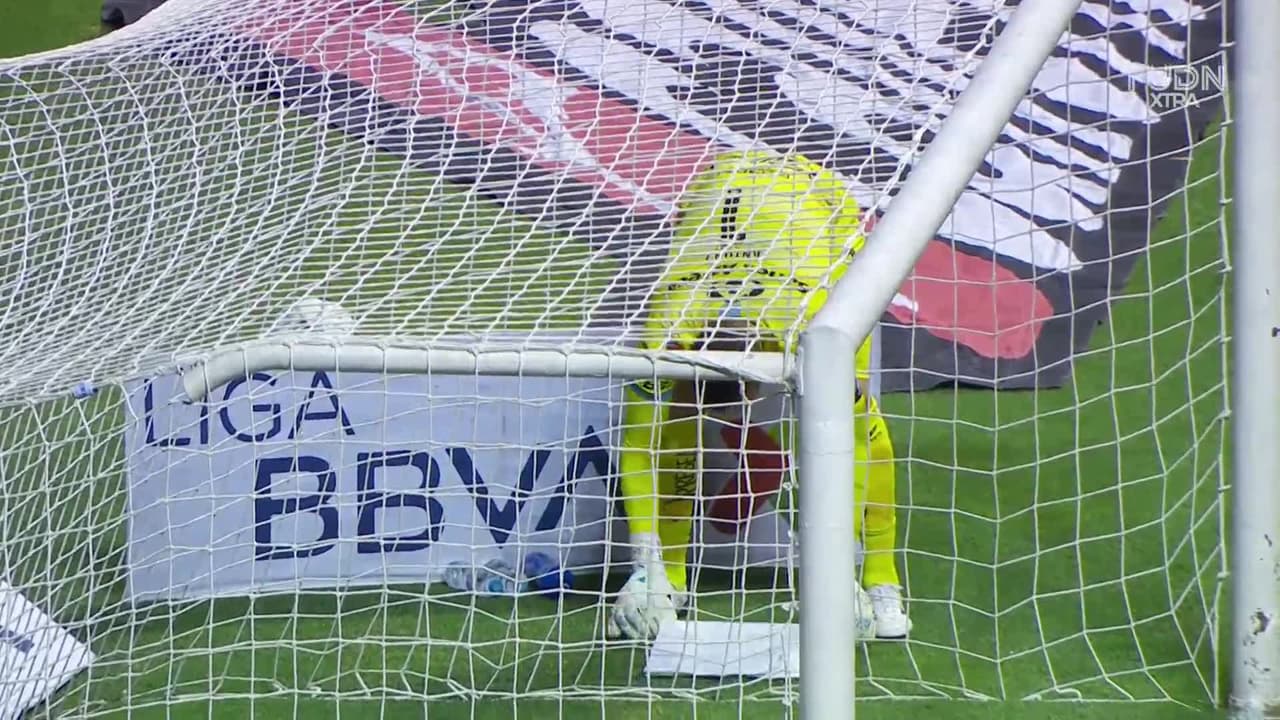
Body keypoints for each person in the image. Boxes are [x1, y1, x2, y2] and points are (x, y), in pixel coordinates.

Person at [606, 150, 910, 641]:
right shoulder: (667, 328)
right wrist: (644, 558)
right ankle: (666, 579)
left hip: (823, 205)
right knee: (671, 427)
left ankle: (879, 580)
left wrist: (834, 567)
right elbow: (641, 442)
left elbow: (857, 445)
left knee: (863, 428)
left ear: (755, 385)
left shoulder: (824, 319)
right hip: (714, 185)